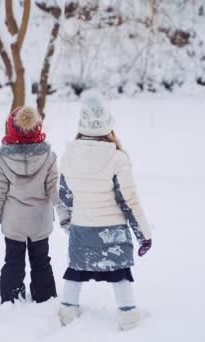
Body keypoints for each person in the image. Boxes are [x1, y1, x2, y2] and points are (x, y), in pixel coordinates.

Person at [56, 97, 153, 330]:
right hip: (113, 230)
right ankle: (128, 315)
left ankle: (68, 310)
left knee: (76, 270)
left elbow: (65, 195)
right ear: (108, 126)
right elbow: (129, 200)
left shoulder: (69, 154)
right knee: (119, 272)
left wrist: (69, 220)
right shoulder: (118, 157)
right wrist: (144, 235)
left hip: (82, 226)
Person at [0, 106, 58, 304]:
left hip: (14, 222)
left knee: (13, 261)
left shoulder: (2, 158)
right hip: (40, 221)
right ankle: (45, 296)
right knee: (41, 261)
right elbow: (54, 188)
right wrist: (64, 212)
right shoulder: (49, 156)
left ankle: (11, 297)